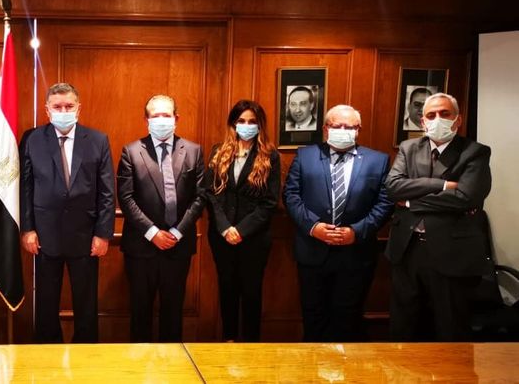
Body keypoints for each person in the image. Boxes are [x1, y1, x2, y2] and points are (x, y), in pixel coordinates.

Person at [386, 92, 492, 341]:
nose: (437, 119)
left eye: (445, 114)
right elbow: (393, 187)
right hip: (407, 249)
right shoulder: (409, 148)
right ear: (423, 122)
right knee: (405, 325)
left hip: (452, 252)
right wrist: (442, 185)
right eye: (431, 115)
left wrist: (411, 201)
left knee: (450, 327)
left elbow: (466, 198)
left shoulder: (475, 152)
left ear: (458, 120)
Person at [283, 104, 393, 342]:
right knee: (314, 318)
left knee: (348, 321)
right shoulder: (305, 156)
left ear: (358, 130)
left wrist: (357, 232)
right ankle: (314, 365)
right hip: (313, 252)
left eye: (349, 127)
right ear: (326, 129)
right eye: (337, 126)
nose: (343, 130)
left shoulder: (378, 160)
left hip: (356, 254)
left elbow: (385, 203)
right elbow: (291, 196)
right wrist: (313, 227)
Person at [20, 82, 115, 343]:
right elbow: (25, 187)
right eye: (57, 106)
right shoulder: (32, 139)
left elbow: (107, 191)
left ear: (78, 108)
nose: (63, 111)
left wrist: (103, 234)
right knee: (46, 304)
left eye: (69, 106)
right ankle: (48, 353)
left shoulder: (97, 140)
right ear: (47, 110)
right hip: (44, 236)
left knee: (86, 304)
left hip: (86, 237)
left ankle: (86, 354)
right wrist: (27, 229)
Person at [117, 95, 206, 342]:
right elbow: (126, 198)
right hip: (141, 247)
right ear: (146, 119)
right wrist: (153, 233)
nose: (161, 120)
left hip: (178, 247)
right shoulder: (131, 151)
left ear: (176, 118)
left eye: (166, 115)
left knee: (173, 314)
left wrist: (177, 233)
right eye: (155, 115)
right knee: (140, 314)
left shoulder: (194, 151)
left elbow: (200, 197)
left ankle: (173, 365)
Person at [206, 100, 280, 342]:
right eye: (241, 121)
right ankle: (229, 340)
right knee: (227, 289)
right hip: (222, 236)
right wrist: (225, 228)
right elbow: (210, 193)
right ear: (233, 124)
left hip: (254, 238)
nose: (246, 126)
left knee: (251, 293)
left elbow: (269, 202)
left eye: (252, 122)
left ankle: (250, 345)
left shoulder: (270, 156)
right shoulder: (218, 152)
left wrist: (241, 230)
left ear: (260, 125)